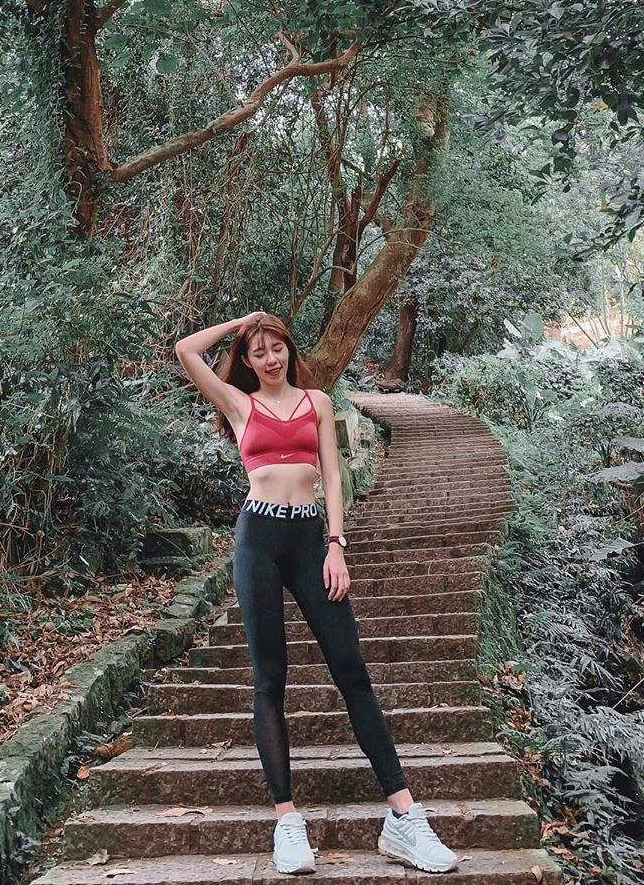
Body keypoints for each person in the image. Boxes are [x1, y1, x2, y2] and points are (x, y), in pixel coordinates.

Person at [174, 310, 458, 875]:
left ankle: (404, 818)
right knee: (269, 679)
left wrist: (335, 545)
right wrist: (243, 322)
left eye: (276, 347)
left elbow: (331, 476)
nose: (270, 359)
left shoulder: (318, 402)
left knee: (352, 670)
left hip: (309, 539)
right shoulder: (239, 404)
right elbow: (186, 350)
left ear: (289, 349)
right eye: (258, 352)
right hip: (257, 539)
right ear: (247, 360)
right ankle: (287, 822)